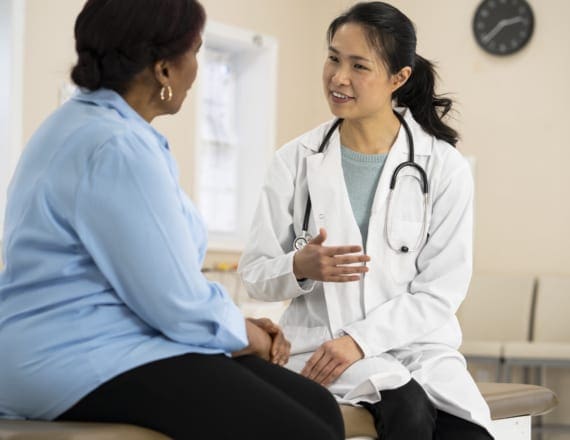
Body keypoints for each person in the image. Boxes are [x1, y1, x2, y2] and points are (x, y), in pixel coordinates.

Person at [0, 1, 345, 439]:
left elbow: (157, 285)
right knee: (305, 431)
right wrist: (250, 336)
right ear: (164, 69)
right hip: (74, 357)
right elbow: (175, 304)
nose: (196, 69)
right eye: (196, 51)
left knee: (317, 406)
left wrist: (237, 326)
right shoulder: (118, 147)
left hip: (92, 343)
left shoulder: (82, 125)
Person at [238, 2, 494, 439]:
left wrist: (361, 339)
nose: (339, 77)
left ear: (399, 78)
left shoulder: (443, 167)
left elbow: (440, 291)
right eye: (334, 58)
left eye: (359, 66)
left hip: (419, 351)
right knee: (407, 410)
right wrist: (298, 267)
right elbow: (255, 276)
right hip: (324, 349)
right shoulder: (294, 161)